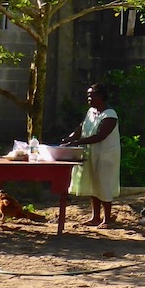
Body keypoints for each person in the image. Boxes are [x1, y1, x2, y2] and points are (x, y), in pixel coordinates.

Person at [62, 83, 121, 227]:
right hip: (91, 153)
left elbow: (100, 136)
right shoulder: (91, 112)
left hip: (105, 155)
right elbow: (81, 127)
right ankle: (95, 217)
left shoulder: (110, 115)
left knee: (103, 184)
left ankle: (107, 219)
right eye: (88, 96)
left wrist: (77, 142)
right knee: (93, 184)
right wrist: (70, 138)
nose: (88, 98)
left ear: (100, 96)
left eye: (91, 95)